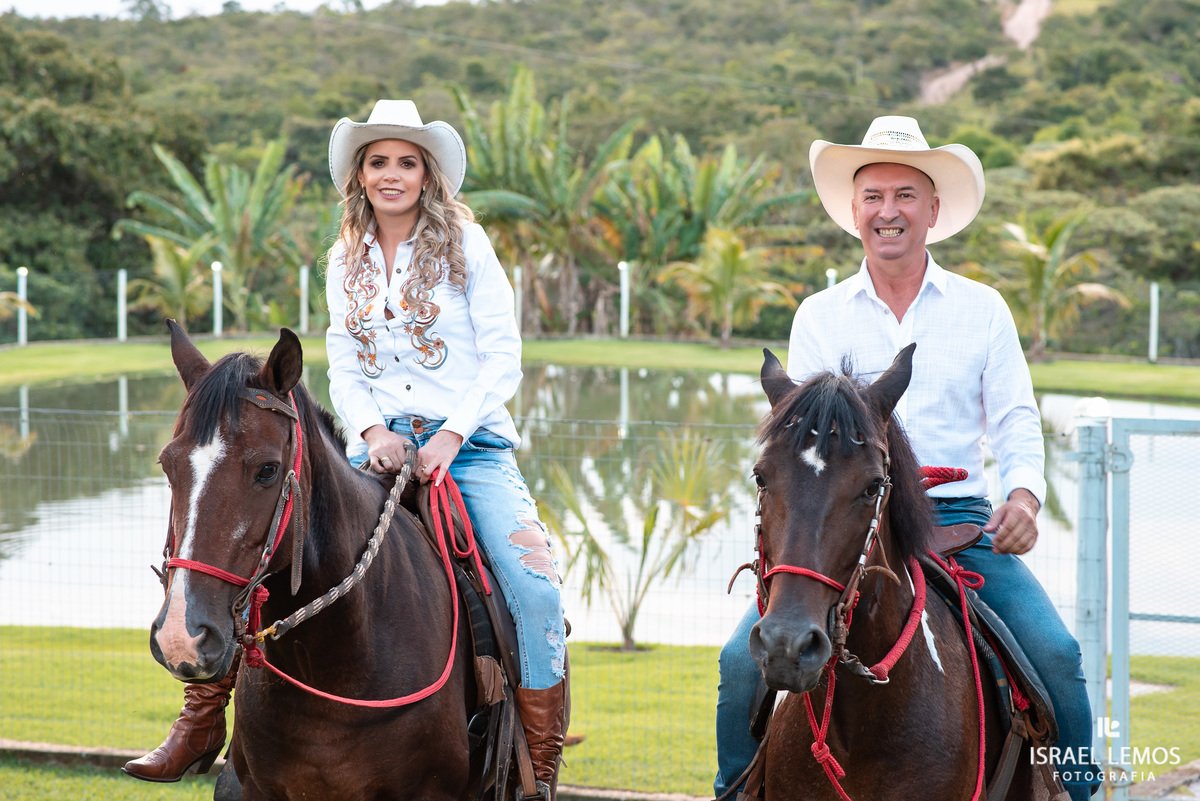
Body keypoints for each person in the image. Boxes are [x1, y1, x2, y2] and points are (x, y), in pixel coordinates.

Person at [126, 99, 570, 801]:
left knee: (534, 587)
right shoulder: (346, 255)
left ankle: (539, 767)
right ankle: (202, 716)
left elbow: (504, 355)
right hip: (381, 446)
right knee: (271, 551)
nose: (391, 174)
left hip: (472, 445)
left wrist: (451, 434)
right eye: (377, 161)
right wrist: (371, 433)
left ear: (427, 174)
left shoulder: (465, 244)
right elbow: (341, 353)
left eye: (406, 161)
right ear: (358, 175)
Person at [713, 116, 1099, 801]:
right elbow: (801, 448)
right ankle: (736, 791)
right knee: (740, 665)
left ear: (933, 210)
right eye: (873, 196)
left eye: (905, 195)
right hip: (843, 522)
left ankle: (1079, 791)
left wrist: (1025, 498)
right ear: (855, 210)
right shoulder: (820, 314)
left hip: (956, 522)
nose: (888, 210)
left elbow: (1015, 421)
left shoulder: (983, 309)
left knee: (1058, 658)